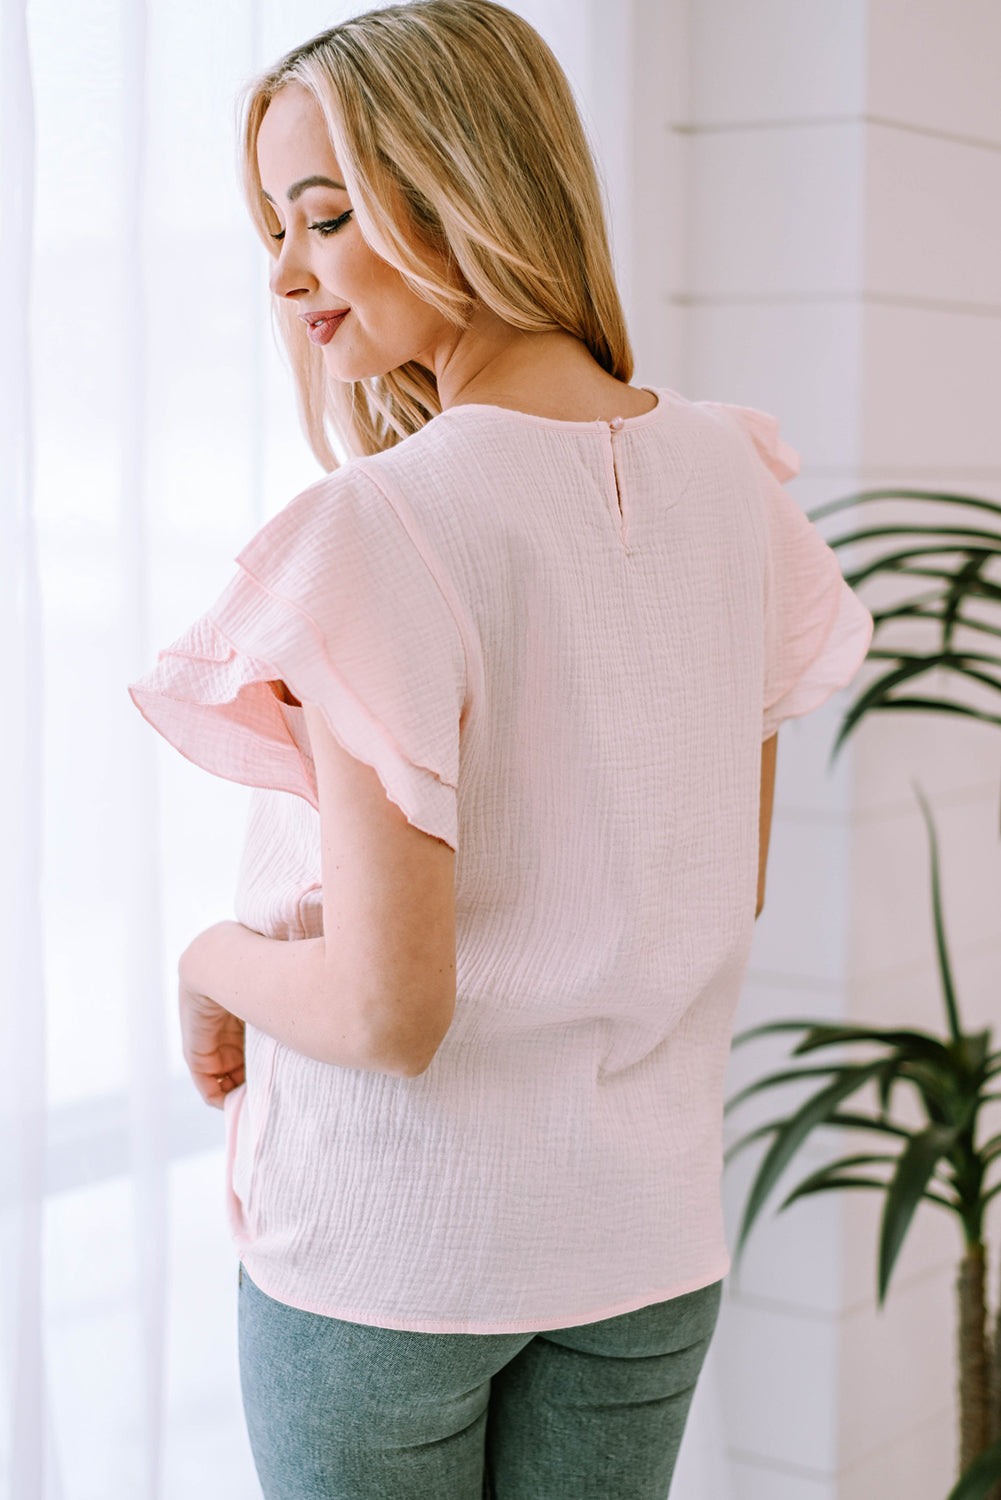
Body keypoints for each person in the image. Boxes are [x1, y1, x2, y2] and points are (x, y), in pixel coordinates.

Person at [127, 2, 873, 1496]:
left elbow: (390, 1014)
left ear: (461, 183)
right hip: (642, 1246)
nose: (286, 273)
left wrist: (209, 961)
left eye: (324, 216)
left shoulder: (380, 528)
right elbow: (719, 888)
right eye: (276, 224)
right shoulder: (732, 476)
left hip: (392, 1260)